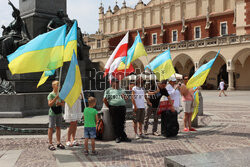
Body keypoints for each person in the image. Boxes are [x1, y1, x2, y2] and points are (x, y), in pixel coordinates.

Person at [103, 78, 131, 143]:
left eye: (118, 82)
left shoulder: (122, 90)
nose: (117, 83)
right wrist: (109, 106)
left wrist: (124, 96)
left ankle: (123, 136)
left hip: (122, 107)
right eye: (116, 82)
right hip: (113, 108)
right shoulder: (108, 90)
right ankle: (117, 137)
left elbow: (126, 98)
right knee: (115, 122)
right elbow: (104, 100)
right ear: (112, 83)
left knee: (122, 122)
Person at [47, 80, 65, 151]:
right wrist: (55, 98)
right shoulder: (51, 94)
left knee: (58, 127)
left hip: (59, 112)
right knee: (51, 127)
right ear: (53, 86)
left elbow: (63, 103)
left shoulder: (61, 94)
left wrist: (59, 103)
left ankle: (58, 142)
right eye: (57, 85)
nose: (58, 86)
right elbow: (50, 104)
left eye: (59, 85)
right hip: (53, 112)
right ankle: (50, 143)